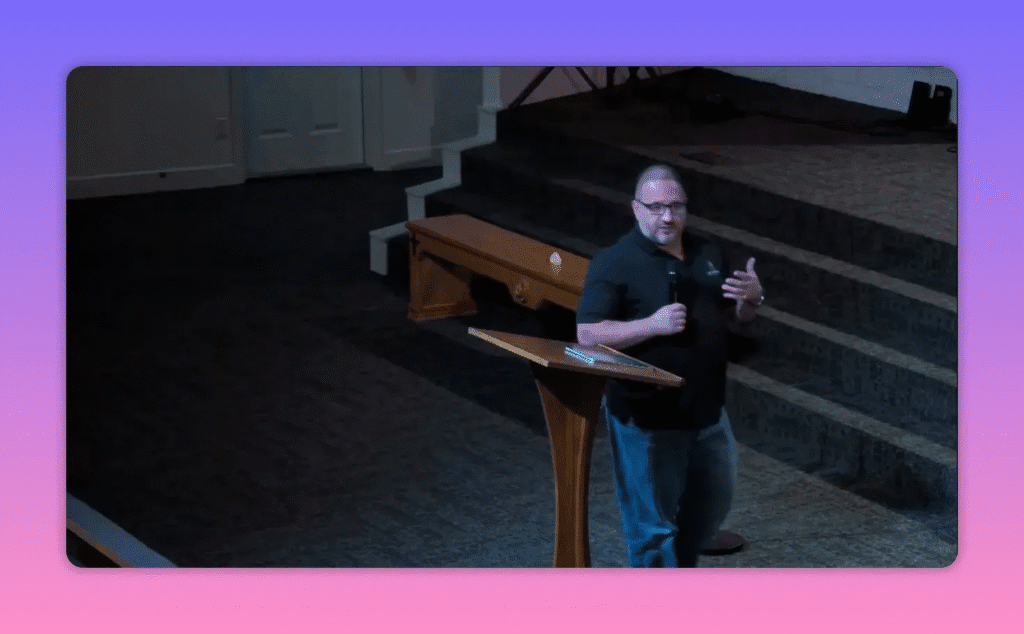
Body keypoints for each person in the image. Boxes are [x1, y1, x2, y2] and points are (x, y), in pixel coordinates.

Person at [576, 164, 763, 567]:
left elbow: (736, 315)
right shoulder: (614, 262)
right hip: (649, 418)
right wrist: (651, 324)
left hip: (707, 412)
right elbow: (587, 334)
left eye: (676, 206)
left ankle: (678, 576)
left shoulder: (707, 253)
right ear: (636, 209)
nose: (667, 216)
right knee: (653, 529)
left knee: (712, 506)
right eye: (656, 206)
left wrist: (752, 300)